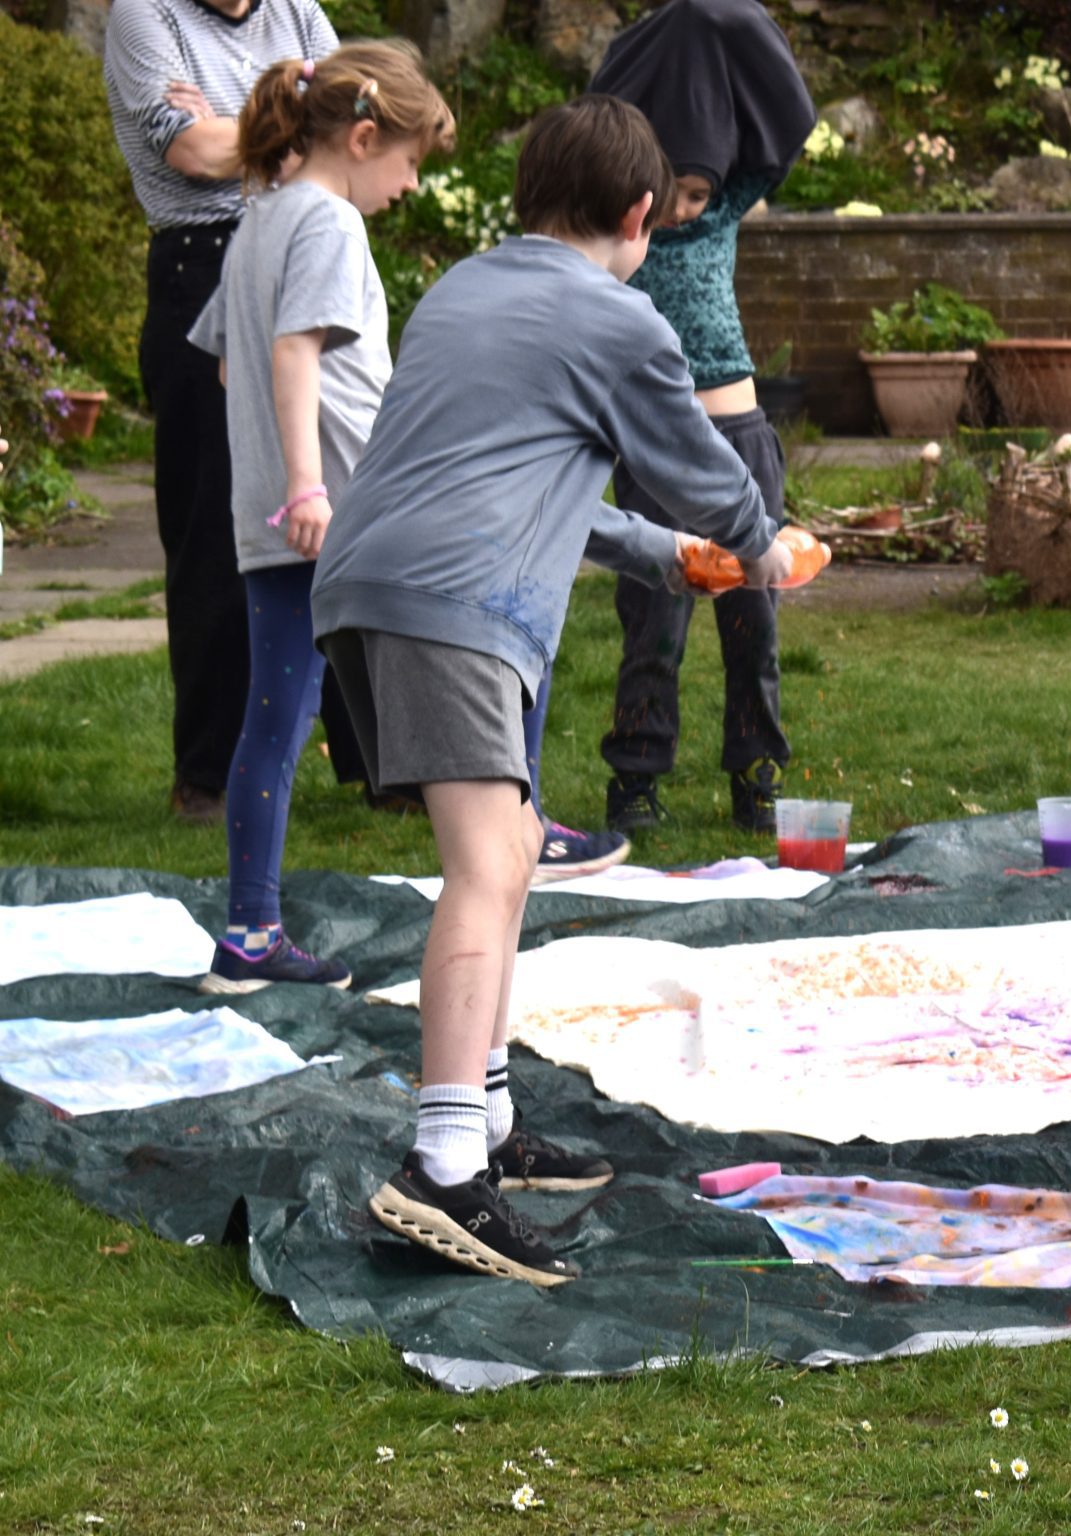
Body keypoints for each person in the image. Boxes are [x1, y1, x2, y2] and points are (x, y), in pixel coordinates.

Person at [311, 96, 789, 1284]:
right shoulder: (618, 319)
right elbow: (700, 467)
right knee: (486, 865)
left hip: (367, 589)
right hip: (456, 607)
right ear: (640, 215)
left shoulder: (465, 291)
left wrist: (661, 557)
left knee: (514, 841)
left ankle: (486, 1120)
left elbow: (527, 476)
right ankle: (441, 1173)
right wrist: (758, 548)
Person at [188, 42, 453, 993]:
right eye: (411, 162)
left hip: (273, 520)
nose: (411, 184)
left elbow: (229, 363)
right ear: (366, 136)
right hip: (330, 514)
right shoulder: (329, 225)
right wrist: (309, 484)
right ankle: (522, 830)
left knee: (274, 719)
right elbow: (293, 351)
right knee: (477, 638)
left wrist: (280, 477)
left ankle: (250, 931)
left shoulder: (259, 219)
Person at [102, 0, 381, 822]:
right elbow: (188, 150)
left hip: (316, 248)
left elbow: (364, 123)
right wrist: (293, 133)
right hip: (203, 263)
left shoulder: (299, 10)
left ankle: (382, 764)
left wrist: (245, 131)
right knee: (213, 529)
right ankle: (210, 775)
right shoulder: (142, 16)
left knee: (350, 511)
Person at [583, 0, 817, 835]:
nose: (687, 209)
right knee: (655, 622)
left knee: (753, 619)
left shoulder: (723, 206)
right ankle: (637, 775)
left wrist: (715, 15)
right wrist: (666, 32)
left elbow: (790, 114)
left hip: (742, 437)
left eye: (699, 192)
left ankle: (758, 772)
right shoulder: (614, 230)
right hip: (656, 454)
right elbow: (598, 116)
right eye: (673, 193)